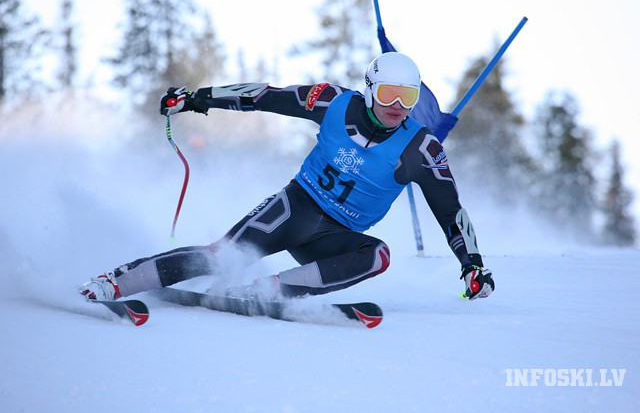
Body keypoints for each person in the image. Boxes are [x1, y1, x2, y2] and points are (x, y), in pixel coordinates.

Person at [78, 52, 494, 302]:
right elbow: (264, 96)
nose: (398, 106)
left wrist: (471, 265)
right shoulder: (333, 102)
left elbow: (450, 212)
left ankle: (268, 291)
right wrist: (198, 98)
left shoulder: (421, 149)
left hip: (337, 237)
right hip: (295, 207)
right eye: (389, 94)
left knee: (379, 255)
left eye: (409, 97)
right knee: (222, 258)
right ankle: (114, 282)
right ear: (369, 89)